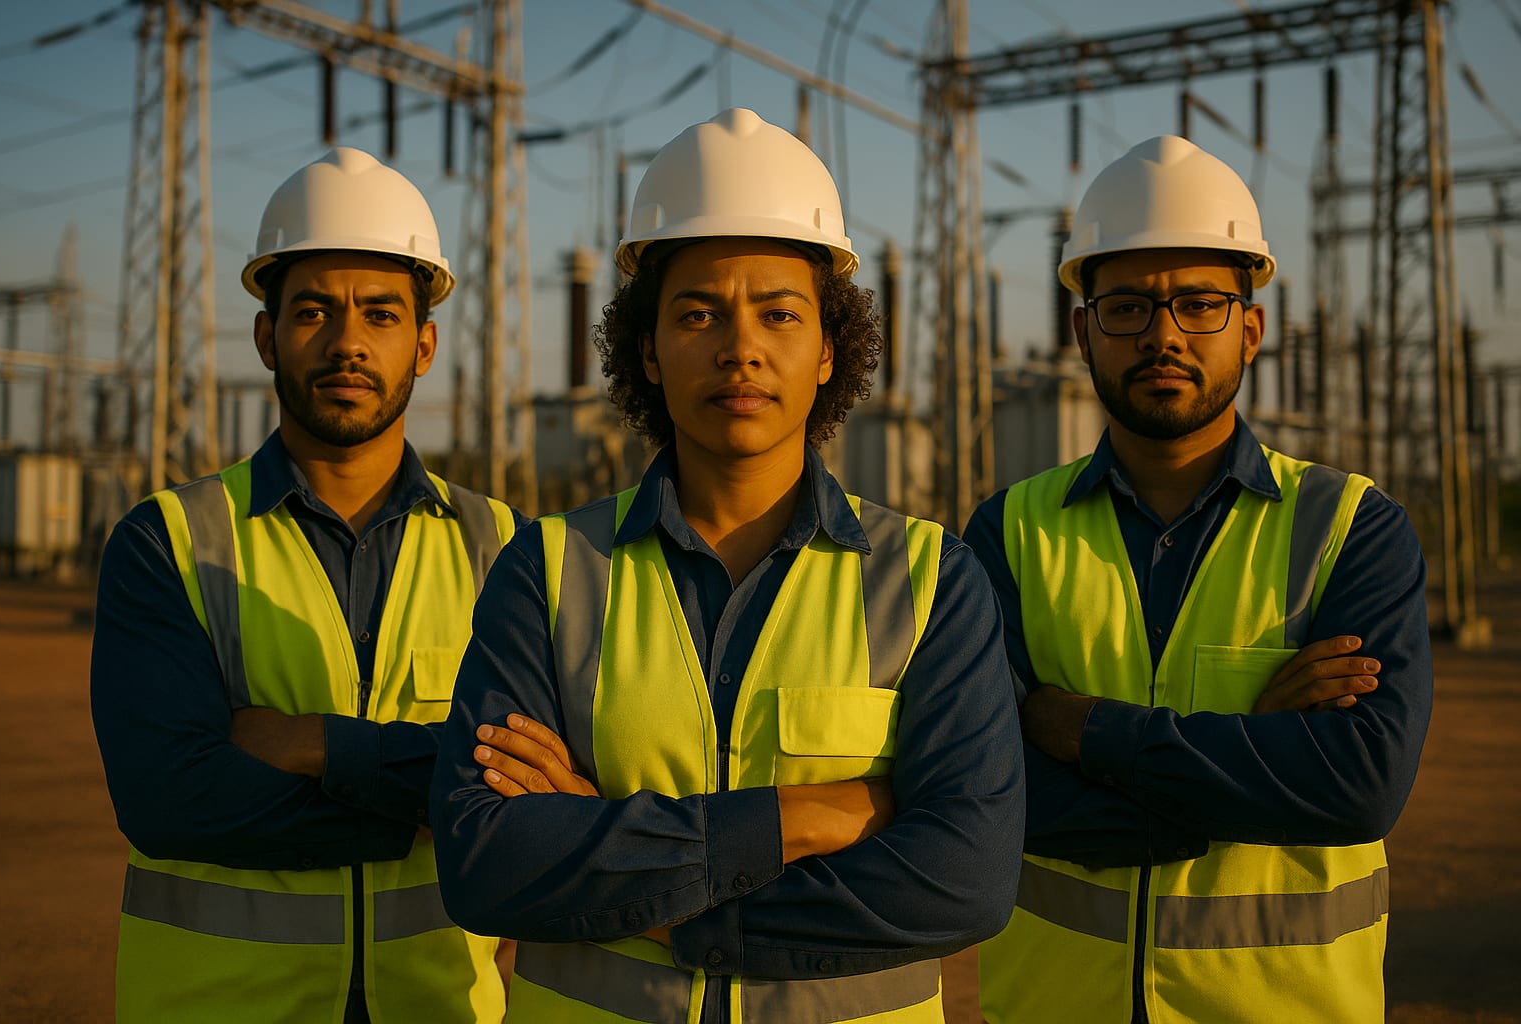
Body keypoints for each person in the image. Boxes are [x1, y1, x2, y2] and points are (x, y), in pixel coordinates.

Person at [430, 107, 1024, 1024]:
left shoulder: (931, 581)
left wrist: (649, 889)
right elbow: (485, 864)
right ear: (648, 352)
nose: (738, 346)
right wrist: (801, 817)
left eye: (778, 314)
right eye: (697, 313)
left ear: (829, 350)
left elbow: (965, 881)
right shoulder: (546, 571)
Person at [965, 134, 1433, 1023]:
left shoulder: (1351, 528)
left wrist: (1084, 727)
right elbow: (985, 783)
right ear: (1082, 330)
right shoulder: (1008, 532)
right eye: (1129, 307)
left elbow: (1359, 784)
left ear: (1251, 328)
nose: (1164, 335)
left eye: (1201, 305)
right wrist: (1238, 762)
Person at [91, 147, 521, 1022]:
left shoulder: (502, 545)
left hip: (437, 1007)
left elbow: (534, 801)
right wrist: (442, 806)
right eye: (314, 311)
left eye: (381, 314)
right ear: (266, 336)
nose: (348, 342)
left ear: (425, 345)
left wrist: (313, 744)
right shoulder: (166, 542)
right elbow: (170, 799)